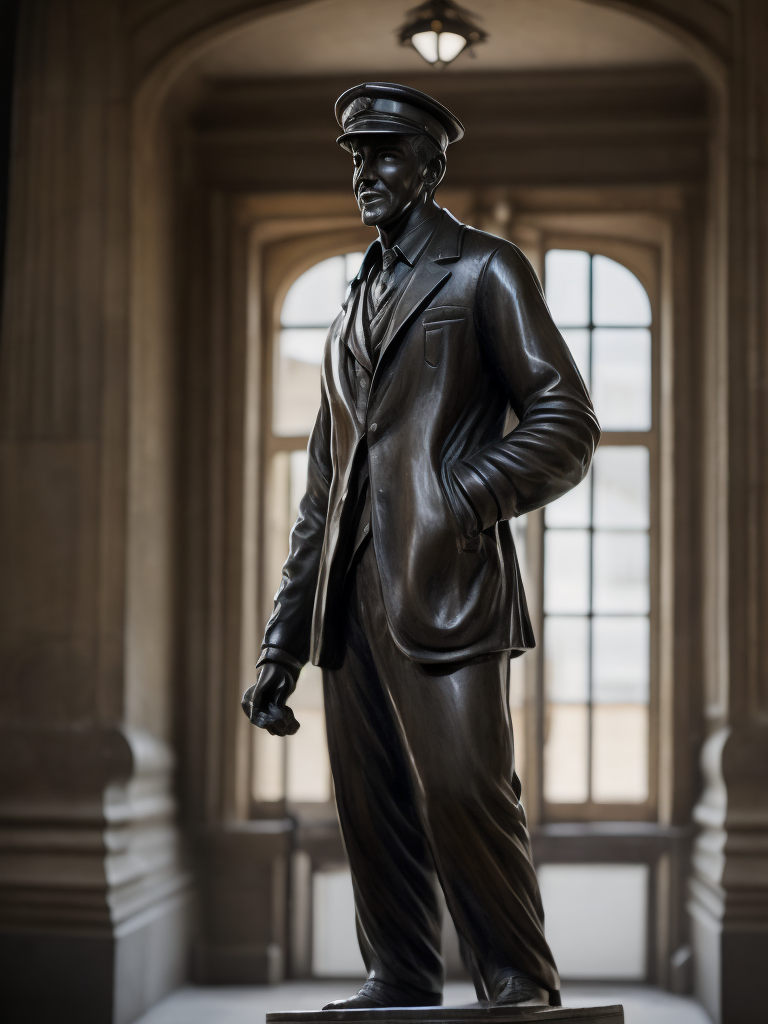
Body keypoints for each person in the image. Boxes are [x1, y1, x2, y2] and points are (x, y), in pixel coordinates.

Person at [242, 82, 600, 1010]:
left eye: (386, 155)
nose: (365, 173)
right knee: (372, 805)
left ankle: (518, 978)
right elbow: (320, 495)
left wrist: (461, 499)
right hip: (349, 600)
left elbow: (566, 422)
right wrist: (283, 643)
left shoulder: (484, 270)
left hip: (448, 583)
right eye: (357, 157)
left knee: (466, 789)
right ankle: (399, 973)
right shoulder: (346, 311)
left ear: (431, 167)